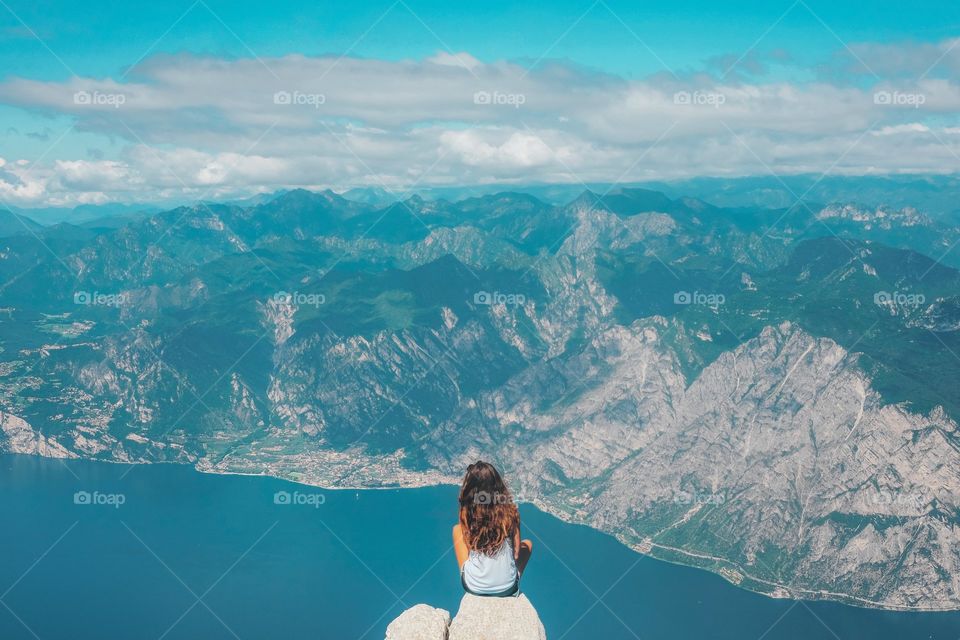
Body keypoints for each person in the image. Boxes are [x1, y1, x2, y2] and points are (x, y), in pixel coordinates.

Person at [452, 461, 533, 597]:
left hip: (473, 587)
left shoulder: (466, 513)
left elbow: (468, 544)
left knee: (457, 529)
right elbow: (517, 554)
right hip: (508, 588)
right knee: (528, 544)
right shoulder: (511, 513)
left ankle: (477, 572)